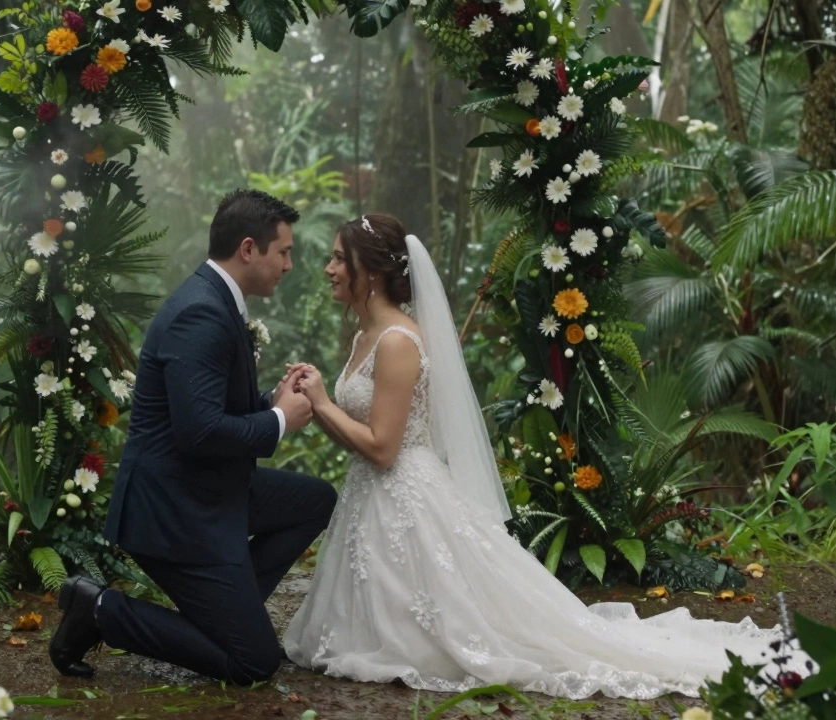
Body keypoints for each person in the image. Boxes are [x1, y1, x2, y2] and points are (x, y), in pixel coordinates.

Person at [280, 213, 782, 699]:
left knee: (462, 627)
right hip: (370, 498)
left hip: (404, 492)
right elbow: (361, 438)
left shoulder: (396, 343)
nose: (328, 269)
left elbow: (385, 449)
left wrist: (323, 401)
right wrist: (312, 403)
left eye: (338, 259)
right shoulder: (364, 336)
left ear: (369, 270)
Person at [49, 189, 338, 684]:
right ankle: (97, 609)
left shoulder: (220, 301)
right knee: (253, 663)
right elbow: (199, 432)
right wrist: (280, 421)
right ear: (249, 249)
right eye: (284, 252)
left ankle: (229, 606)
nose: (289, 265)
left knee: (314, 500)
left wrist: (272, 399)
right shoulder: (201, 313)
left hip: (212, 488)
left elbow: (207, 407)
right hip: (175, 509)